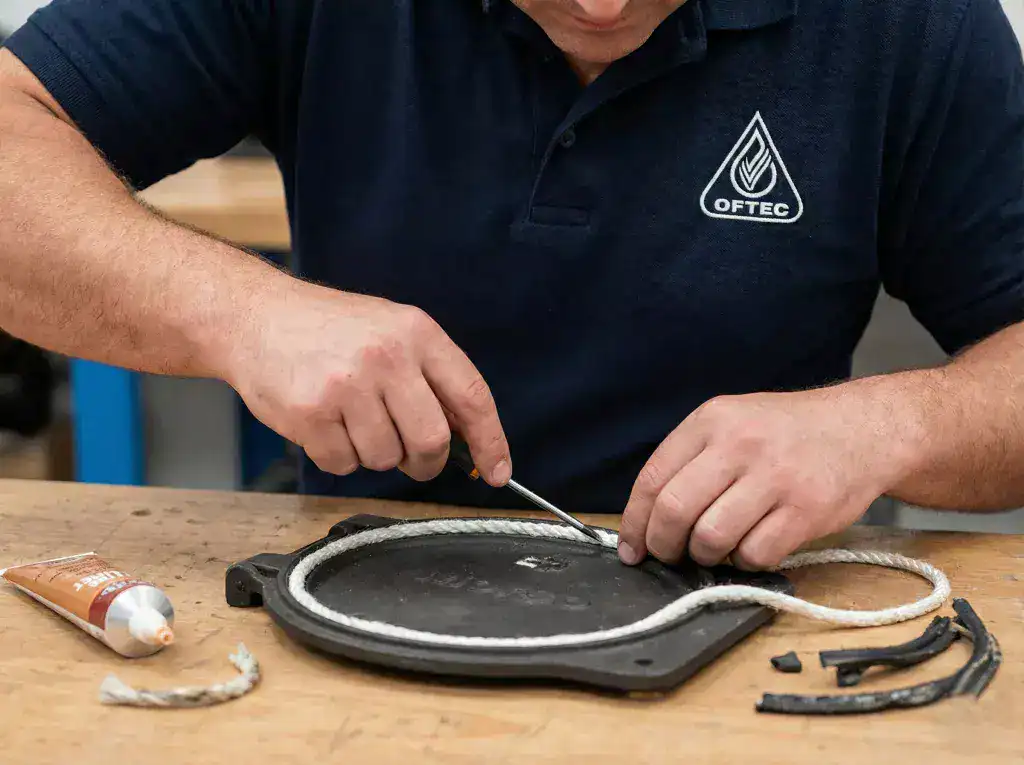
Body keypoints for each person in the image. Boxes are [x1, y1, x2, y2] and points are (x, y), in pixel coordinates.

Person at [1, 0, 1023, 571]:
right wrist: (238, 311)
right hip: (359, 622)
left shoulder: (911, 21)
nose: (600, 5)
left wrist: (888, 427)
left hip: (748, 631)